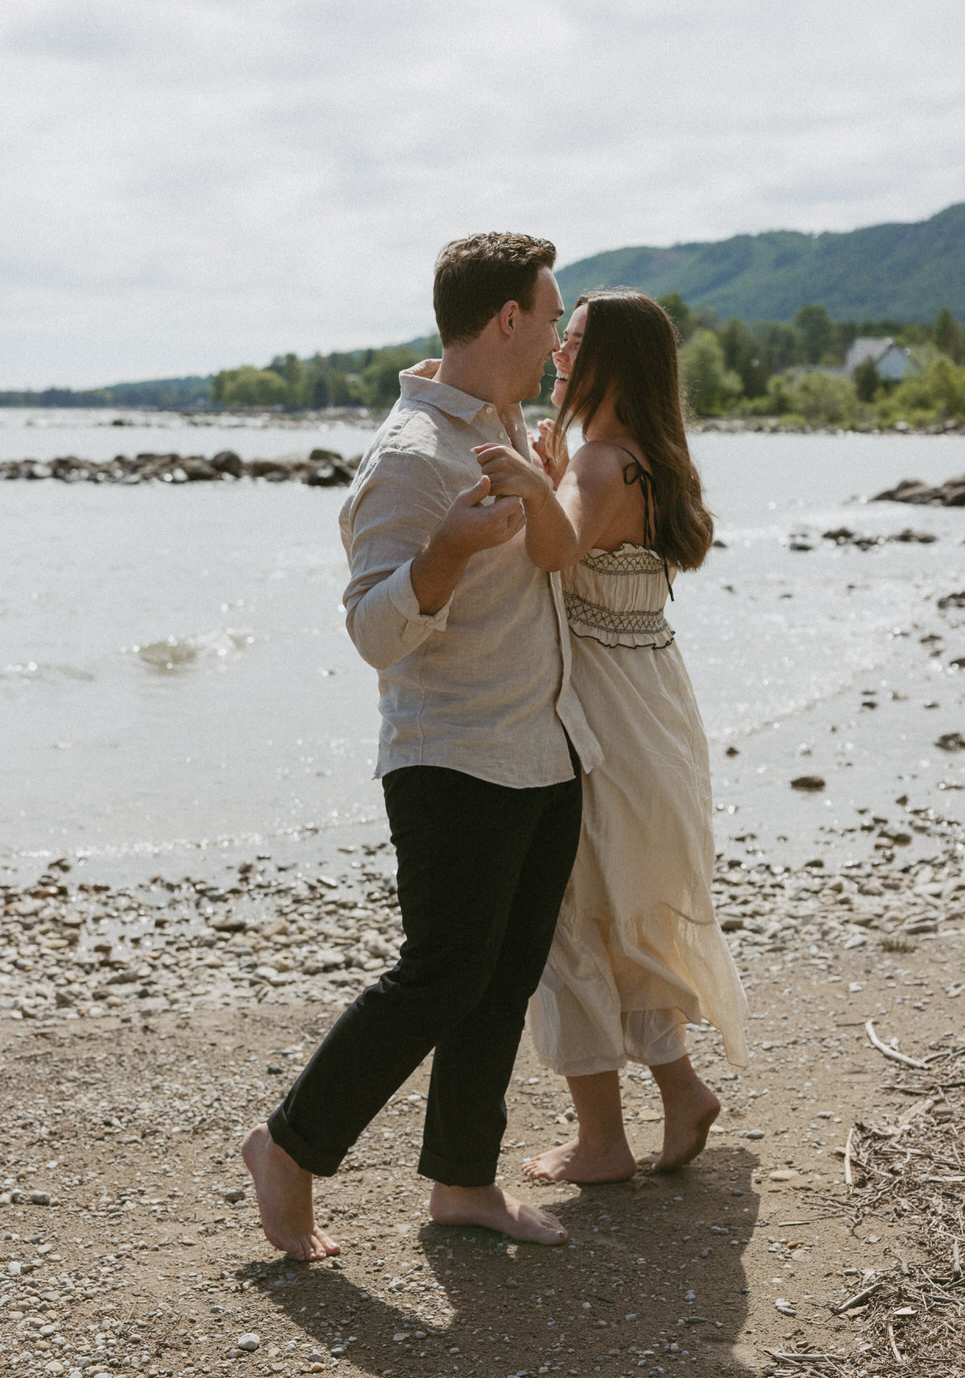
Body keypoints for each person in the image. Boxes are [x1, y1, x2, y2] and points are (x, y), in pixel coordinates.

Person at [242, 232, 602, 1257]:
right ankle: (287, 1144)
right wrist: (443, 553)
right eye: (548, 316)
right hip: (453, 758)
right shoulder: (410, 456)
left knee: (499, 977)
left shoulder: (505, 420)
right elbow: (371, 633)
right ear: (505, 321)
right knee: (440, 973)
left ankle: (461, 1183)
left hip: (540, 745)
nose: (552, 341)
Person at [475, 289, 748, 1185]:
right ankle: (678, 1091)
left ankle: (602, 1141)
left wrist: (529, 482)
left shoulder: (599, 465)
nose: (559, 351)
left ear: (616, 362)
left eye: (577, 341)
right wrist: (553, 470)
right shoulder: (647, 459)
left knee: (565, 908)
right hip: (652, 701)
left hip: (601, 713)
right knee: (616, 905)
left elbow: (553, 556)